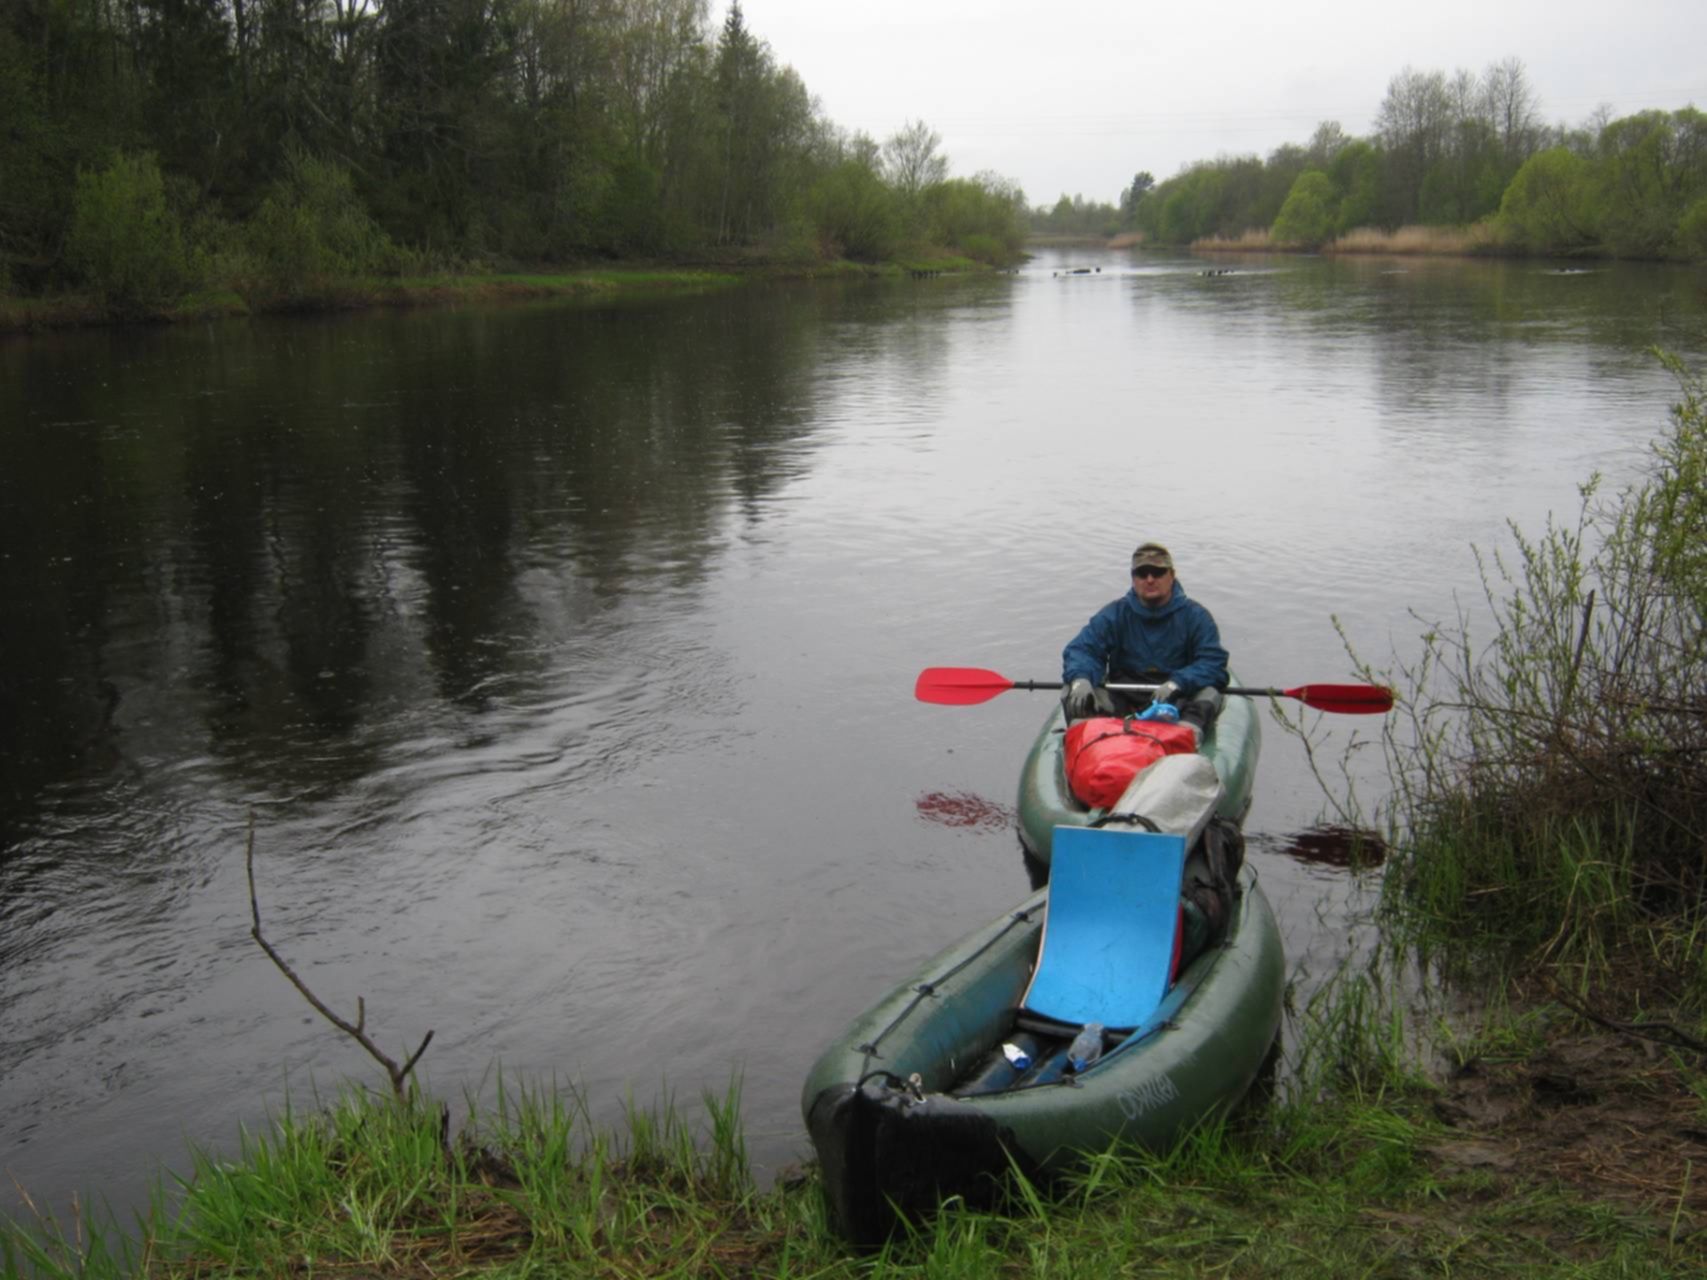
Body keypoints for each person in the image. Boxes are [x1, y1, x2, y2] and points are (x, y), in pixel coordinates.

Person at [1060, 541, 1228, 730]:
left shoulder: (1196, 617)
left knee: (1210, 692)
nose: (1149, 579)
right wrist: (1081, 678)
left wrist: (1177, 683)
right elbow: (1082, 649)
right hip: (1122, 697)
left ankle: (1187, 739)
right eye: (1142, 573)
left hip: (1177, 700)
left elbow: (1212, 662)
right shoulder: (1114, 614)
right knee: (1072, 691)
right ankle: (1090, 743)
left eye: (1157, 573)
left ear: (1171, 576)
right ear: (1133, 579)